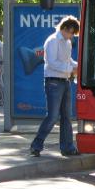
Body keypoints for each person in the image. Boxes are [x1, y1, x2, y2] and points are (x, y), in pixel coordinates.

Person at [30, 16, 80, 157]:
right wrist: (71, 69)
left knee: (66, 116)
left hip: (64, 81)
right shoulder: (52, 40)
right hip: (53, 81)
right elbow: (52, 62)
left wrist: (77, 66)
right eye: (70, 32)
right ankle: (36, 145)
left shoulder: (66, 42)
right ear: (64, 28)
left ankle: (67, 148)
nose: (71, 36)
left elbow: (67, 60)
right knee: (52, 116)